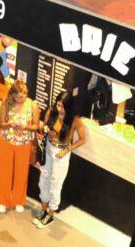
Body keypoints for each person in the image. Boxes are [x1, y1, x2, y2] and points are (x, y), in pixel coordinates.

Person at [35, 91, 88, 228]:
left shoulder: (74, 119)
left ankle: (50, 214)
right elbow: (42, 126)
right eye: (58, 105)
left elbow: (83, 139)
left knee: (55, 183)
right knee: (44, 179)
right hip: (48, 147)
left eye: (63, 106)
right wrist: (46, 129)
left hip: (61, 152)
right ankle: (43, 209)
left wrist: (67, 149)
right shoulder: (52, 111)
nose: (60, 109)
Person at [0, 79, 39, 213]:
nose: (22, 98)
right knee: (4, 171)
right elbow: (0, 124)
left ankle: (19, 200)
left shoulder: (32, 105)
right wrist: (9, 125)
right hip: (7, 140)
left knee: (21, 172)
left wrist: (26, 127)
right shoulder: (6, 103)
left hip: (24, 143)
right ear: (13, 95)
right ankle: (2, 200)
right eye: (19, 96)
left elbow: (36, 126)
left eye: (24, 95)